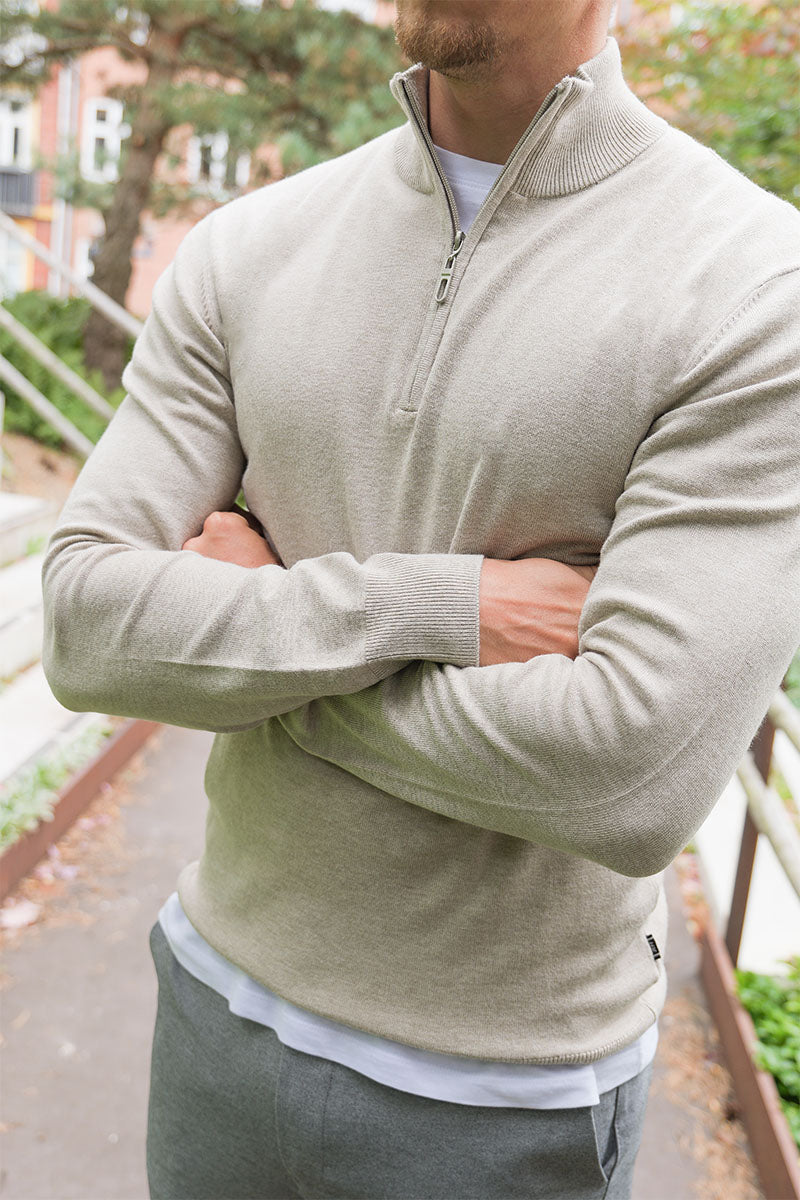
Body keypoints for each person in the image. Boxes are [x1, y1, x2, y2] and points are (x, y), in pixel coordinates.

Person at [40, 0, 800, 1196]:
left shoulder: (754, 283)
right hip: (211, 1005)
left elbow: (628, 776)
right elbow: (87, 624)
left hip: (502, 1101)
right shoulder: (250, 246)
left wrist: (253, 642)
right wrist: (437, 610)